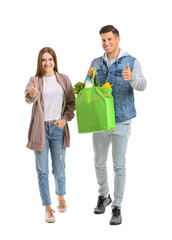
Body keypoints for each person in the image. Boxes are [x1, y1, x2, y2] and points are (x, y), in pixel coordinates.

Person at [87, 25, 146, 225]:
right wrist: (88, 77)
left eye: (110, 39)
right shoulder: (96, 62)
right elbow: (90, 90)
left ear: (118, 39)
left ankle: (117, 206)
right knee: (98, 162)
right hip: (100, 120)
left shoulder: (131, 61)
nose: (106, 43)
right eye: (103, 40)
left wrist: (132, 79)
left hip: (121, 119)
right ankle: (104, 195)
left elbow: (143, 85)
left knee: (119, 165)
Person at [25, 47, 75, 223]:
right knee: (42, 171)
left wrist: (65, 120)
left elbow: (71, 103)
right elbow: (28, 98)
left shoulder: (63, 79)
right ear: (40, 62)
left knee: (59, 170)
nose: (47, 63)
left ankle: (61, 196)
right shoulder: (35, 80)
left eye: (50, 59)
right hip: (40, 130)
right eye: (43, 60)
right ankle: (48, 207)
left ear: (55, 60)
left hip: (58, 129)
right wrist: (32, 94)